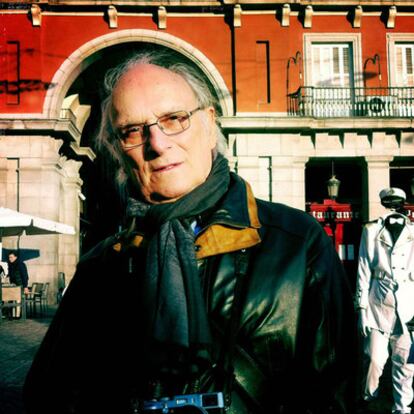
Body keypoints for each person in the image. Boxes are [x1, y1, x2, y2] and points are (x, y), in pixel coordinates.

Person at [24, 51, 356, 414]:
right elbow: (54, 396)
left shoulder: (297, 243)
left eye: (174, 119)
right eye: (132, 131)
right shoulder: (100, 267)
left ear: (209, 123)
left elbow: (332, 393)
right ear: (118, 152)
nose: (158, 143)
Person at [356, 187, 414, 414]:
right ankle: (369, 398)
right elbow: (363, 270)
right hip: (378, 305)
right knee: (374, 359)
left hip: (409, 308)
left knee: (406, 364)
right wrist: (361, 309)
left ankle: (402, 408)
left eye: (395, 203)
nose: (393, 207)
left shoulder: (412, 230)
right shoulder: (371, 230)